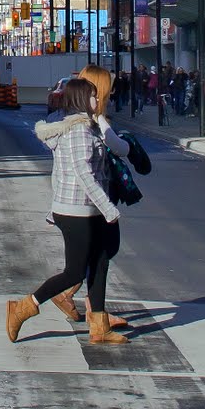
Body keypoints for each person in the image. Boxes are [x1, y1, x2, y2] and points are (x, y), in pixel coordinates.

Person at [7, 78, 126, 346]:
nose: (98, 100)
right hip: (76, 211)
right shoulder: (79, 132)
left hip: (85, 209)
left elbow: (71, 173)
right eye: (93, 96)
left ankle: (99, 327)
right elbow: (83, 174)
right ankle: (23, 307)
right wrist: (108, 208)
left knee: (100, 262)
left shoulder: (86, 127)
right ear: (82, 100)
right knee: (74, 272)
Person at [48, 65, 137, 331]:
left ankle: (93, 309)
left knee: (97, 254)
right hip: (92, 197)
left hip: (80, 198)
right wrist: (129, 144)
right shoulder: (92, 121)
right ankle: (81, 304)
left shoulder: (79, 119)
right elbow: (117, 149)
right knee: (102, 252)